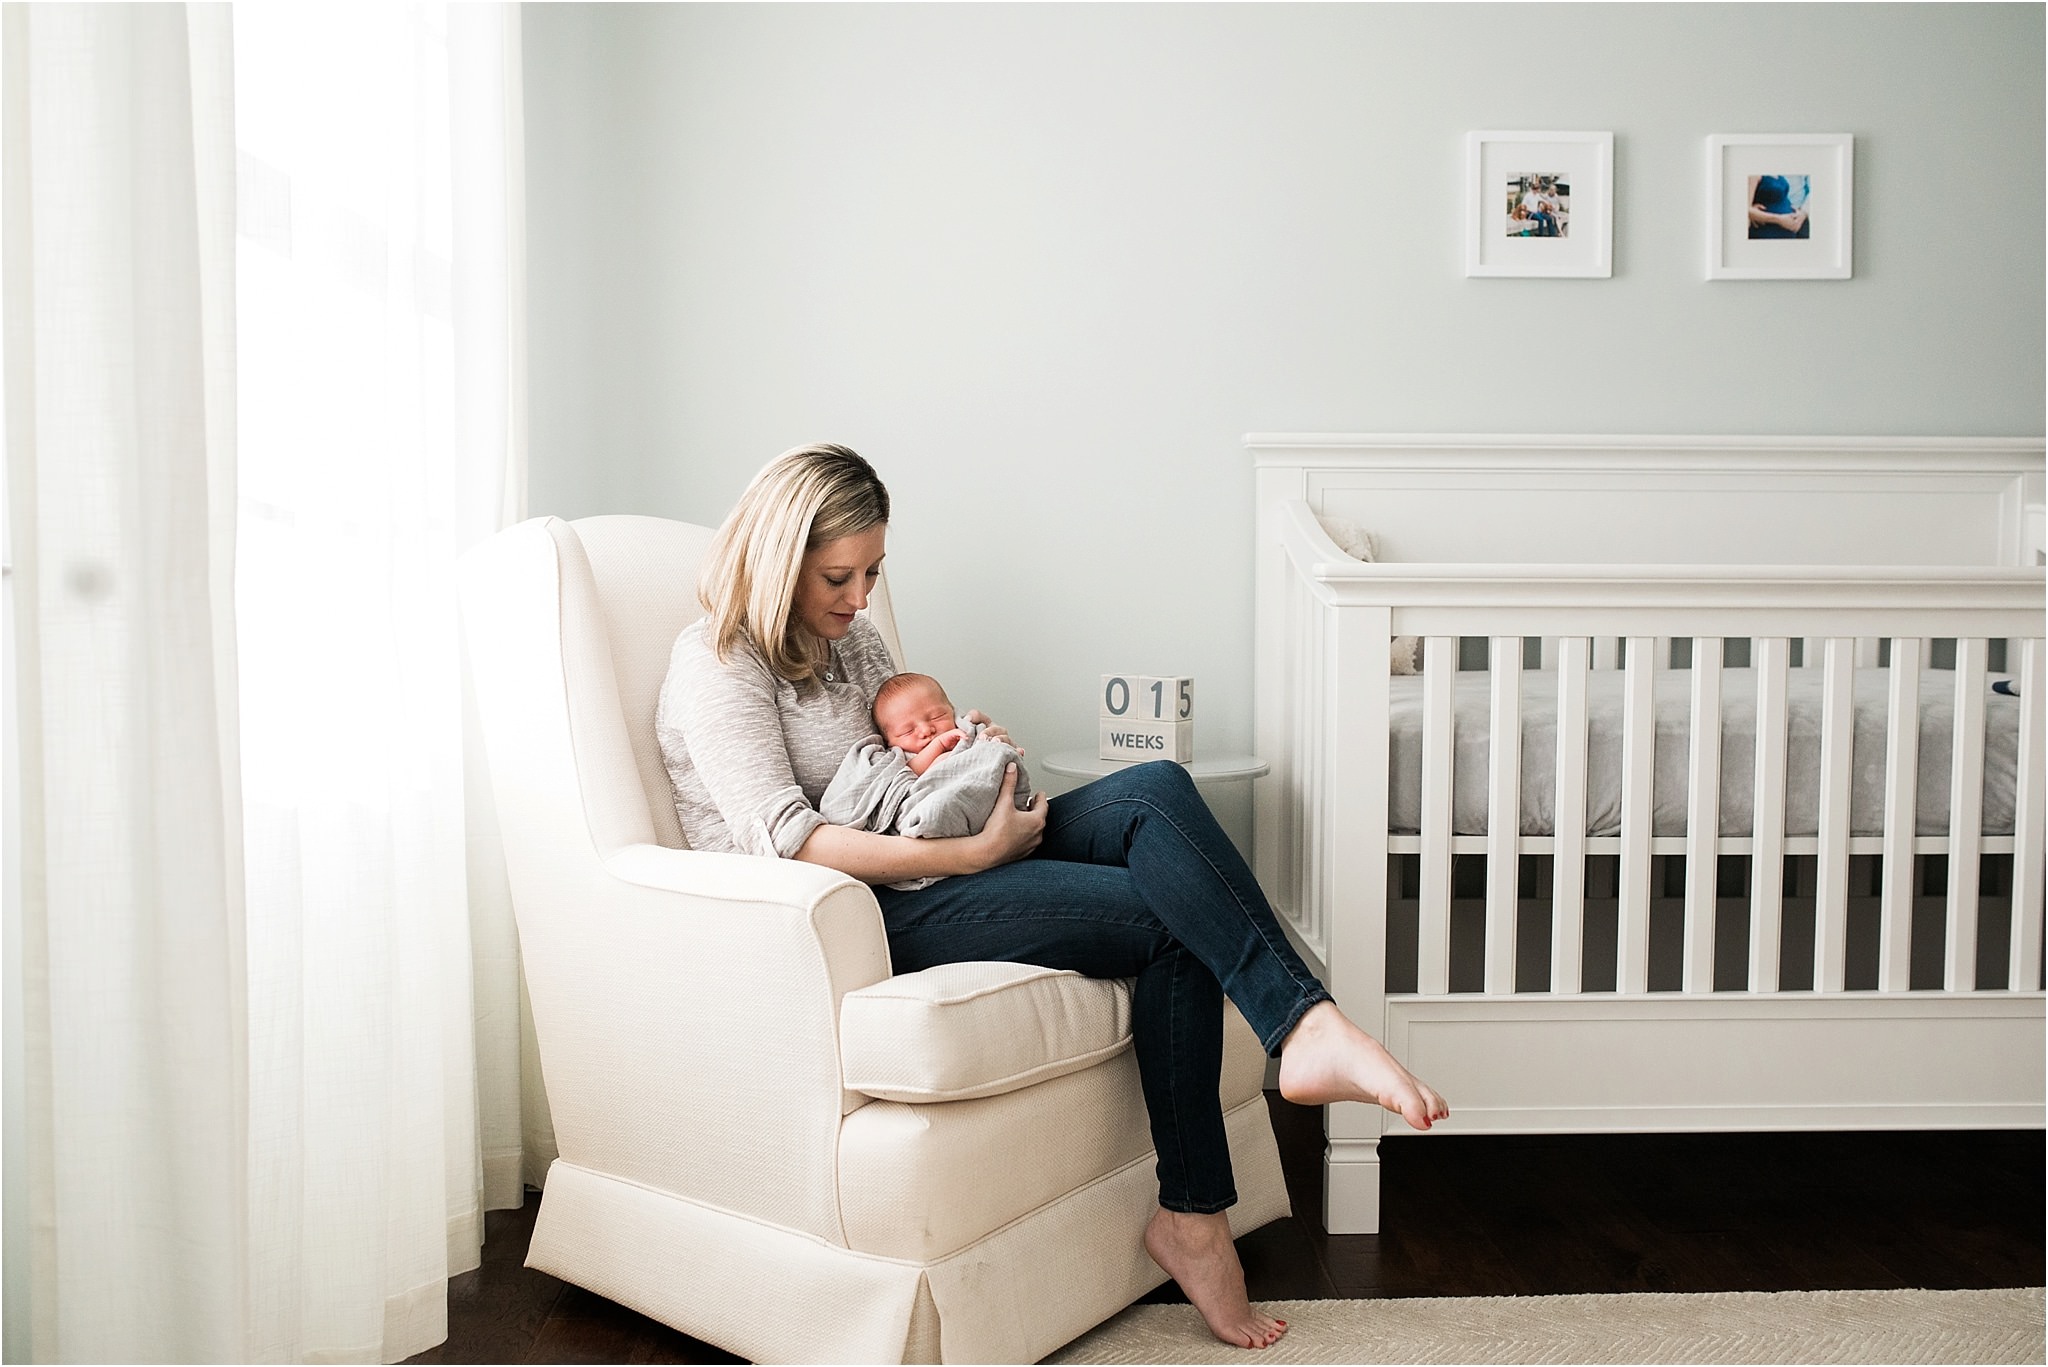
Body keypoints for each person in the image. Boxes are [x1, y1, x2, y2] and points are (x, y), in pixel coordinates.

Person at [654, 443, 1450, 1351]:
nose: (863, 596)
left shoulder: (853, 642)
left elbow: (902, 753)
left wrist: (965, 751)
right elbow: (786, 840)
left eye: (874, 570)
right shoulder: (717, 663)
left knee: (1154, 790)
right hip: (862, 910)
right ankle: (1195, 1218)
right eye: (842, 574)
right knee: (1166, 918)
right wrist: (978, 852)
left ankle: (1306, 1028)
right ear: (778, 559)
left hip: (930, 845)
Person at [817, 672, 1036, 889]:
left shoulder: (961, 733)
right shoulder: (900, 757)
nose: (926, 730)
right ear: (888, 740)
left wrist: (988, 744)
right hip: (934, 839)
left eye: (936, 717)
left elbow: (982, 751)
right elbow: (909, 771)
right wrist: (938, 747)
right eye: (908, 730)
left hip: (999, 818)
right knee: (937, 807)